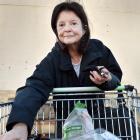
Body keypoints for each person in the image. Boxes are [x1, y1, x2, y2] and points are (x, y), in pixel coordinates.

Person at [1, 1, 123, 140]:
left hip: (97, 127)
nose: (67, 29)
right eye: (61, 25)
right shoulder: (53, 59)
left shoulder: (99, 50)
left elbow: (115, 77)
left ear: (84, 28)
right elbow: (34, 87)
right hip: (67, 129)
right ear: (56, 31)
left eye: (73, 23)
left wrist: (107, 79)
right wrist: (19, 127)